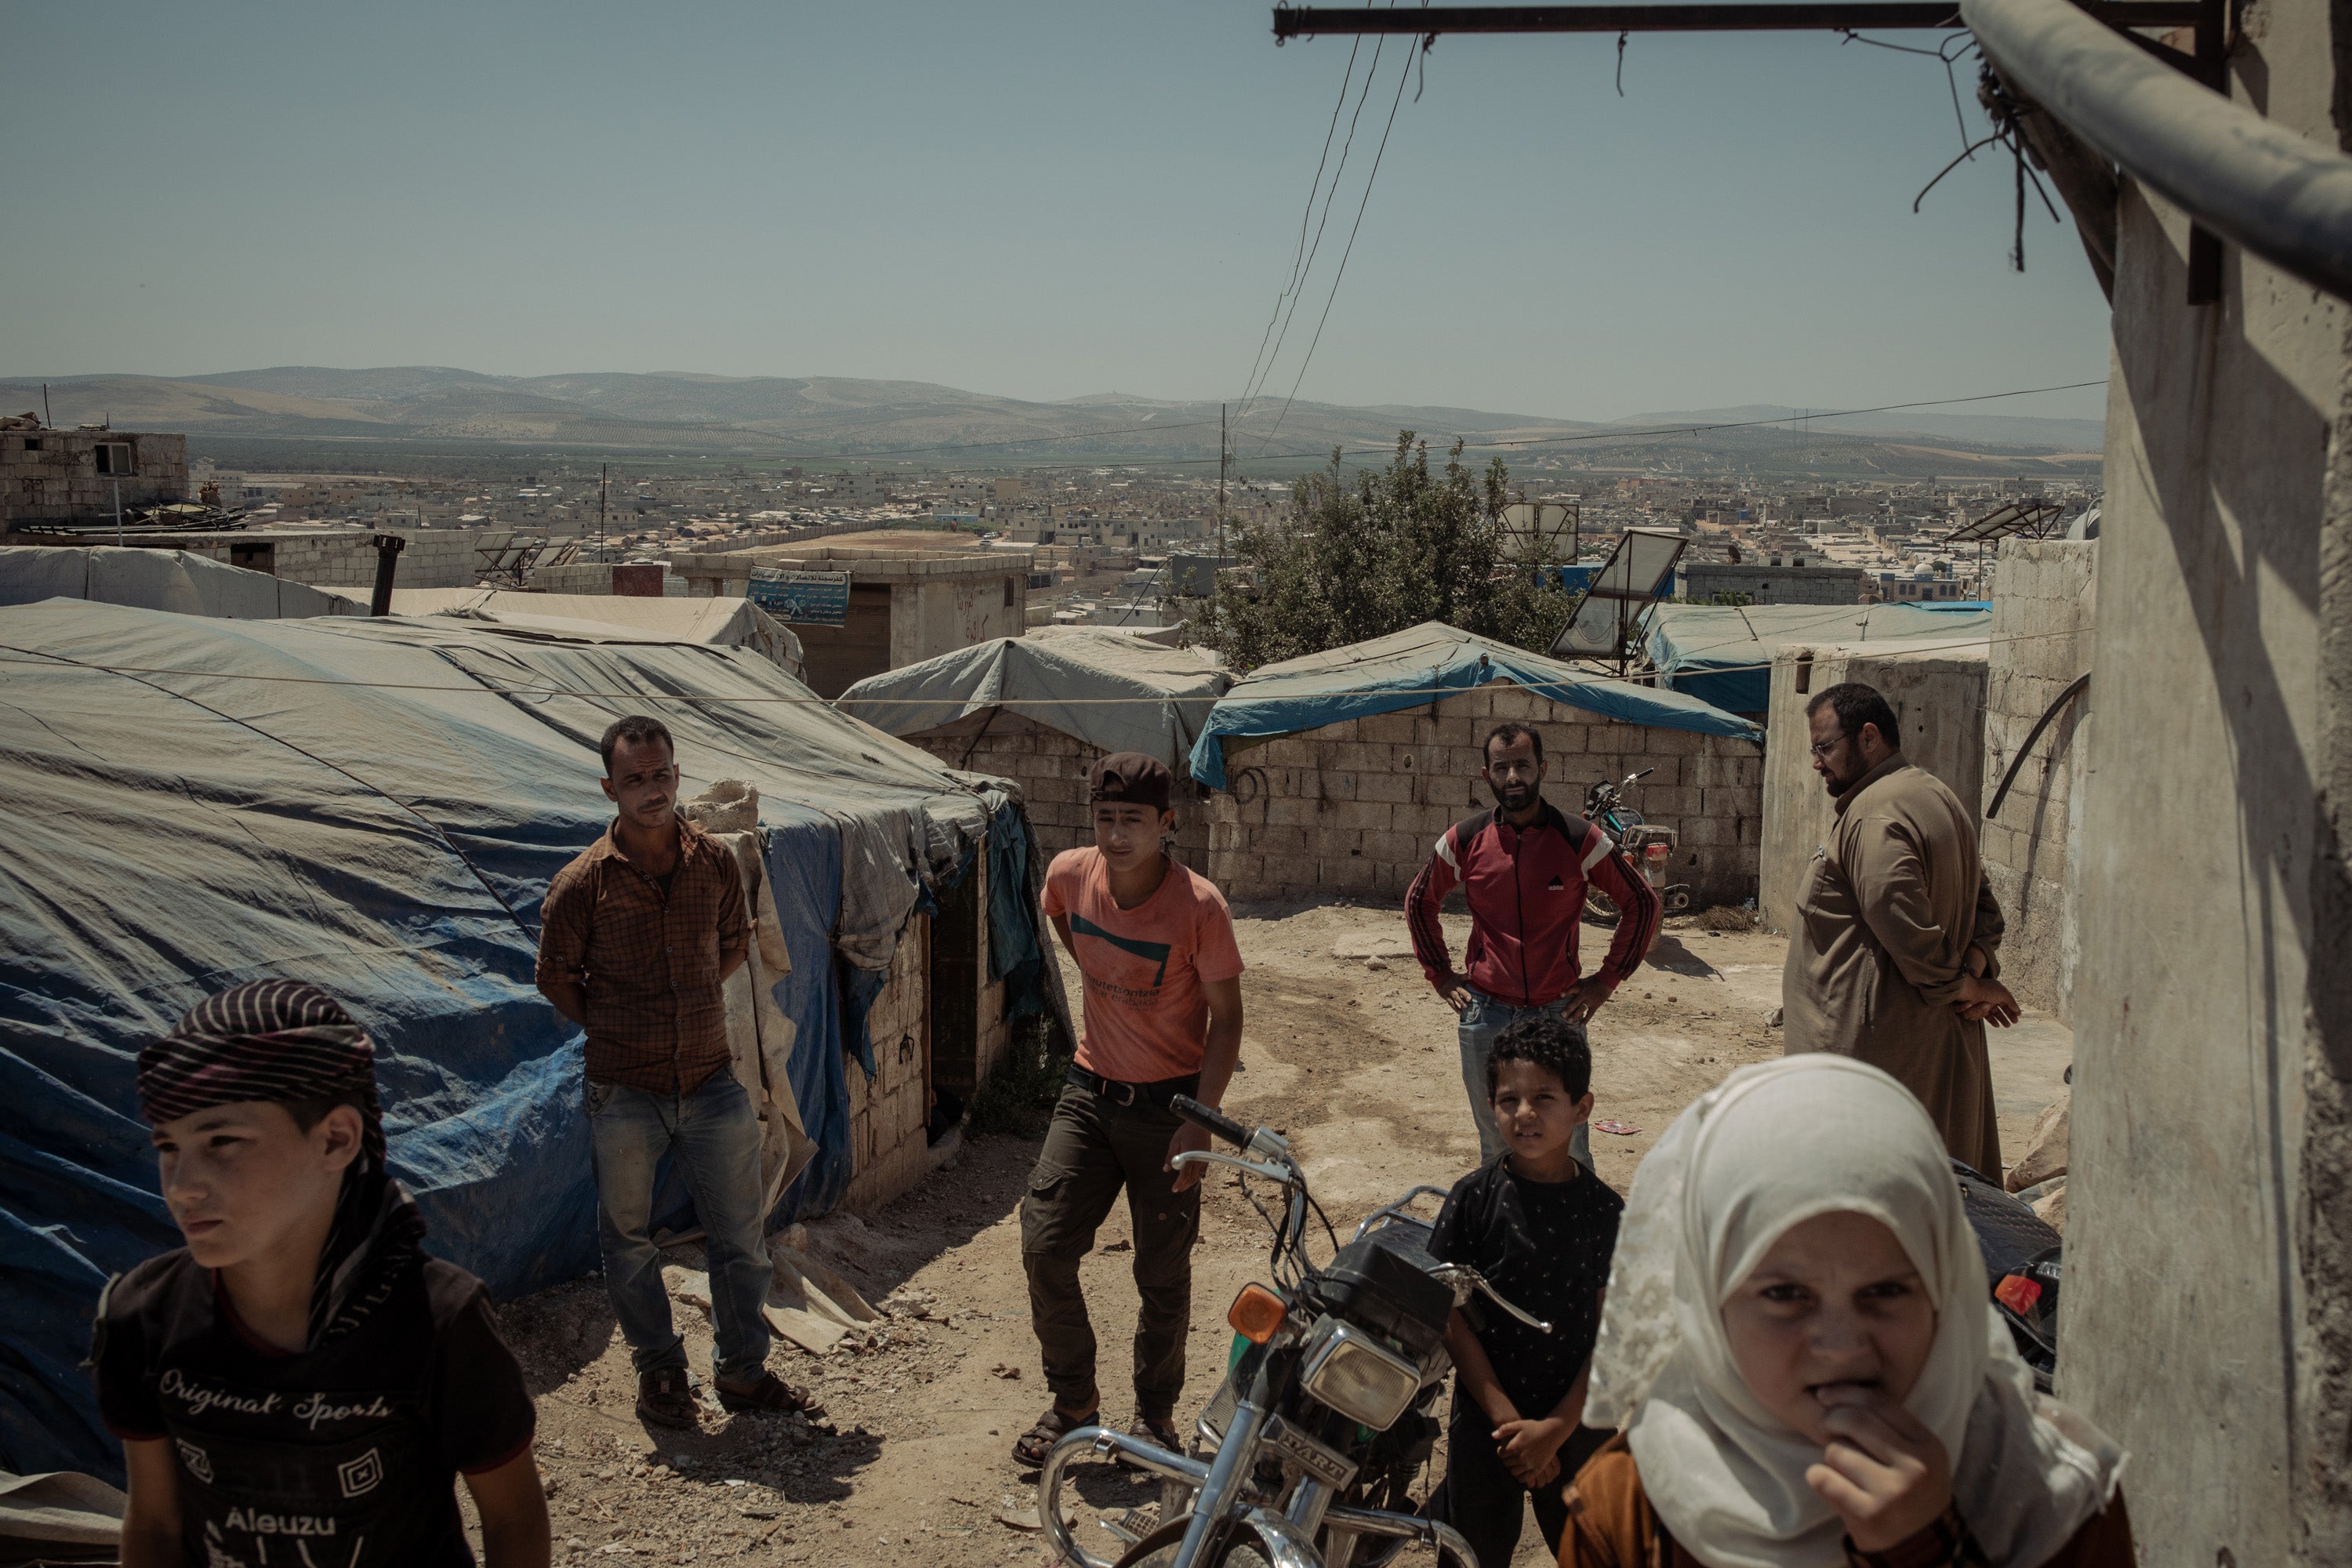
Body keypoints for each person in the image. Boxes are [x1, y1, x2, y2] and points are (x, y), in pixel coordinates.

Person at [1559, 1054, 2131, 1567]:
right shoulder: (1632, 1511)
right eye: (1784, 1295)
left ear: (1944, 1292)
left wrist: (1928, 1547)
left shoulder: (2053, 1501)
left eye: (1885, 1292)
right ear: (1709, 1307)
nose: (1841, 1345)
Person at [94, 980, 550, 1568]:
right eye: (167, 1146)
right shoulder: (145, 1316)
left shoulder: (435, 1320)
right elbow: (156, 1523)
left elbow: (512, 1516)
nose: (182, 1185)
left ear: (336, 1138)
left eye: (222, 1141)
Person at [536, 714, 815, 1428]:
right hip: (623, 1088)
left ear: (676, 774)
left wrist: (686, 1006)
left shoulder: (715, 864)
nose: (652, 790)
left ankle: (742, 1372)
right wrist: (614, 1023)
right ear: (610, 788)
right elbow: (555, 978)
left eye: (661, 774)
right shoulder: (581, 884)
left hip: (710, 1078)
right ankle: (660, 1373)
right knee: (628, 1241)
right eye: (635, 779)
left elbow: (731, 948)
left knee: (742, 1235)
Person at [1012, 752, 1245, 1465]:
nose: (1117, 835)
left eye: (1134, 822)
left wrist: (1198, 1122)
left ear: (1166, 824)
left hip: (1168, 1107)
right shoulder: (1069, 875)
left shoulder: (1199, 907)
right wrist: (1100, 982)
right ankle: (1074, 1403)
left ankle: (1154, 1421)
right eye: (1106, 819)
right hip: (1089, 1093)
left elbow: (1228, 1021)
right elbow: (1061, 923)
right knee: (1045, 1243)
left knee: (1162, 1275)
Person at [1781, 683, 2020, 1178]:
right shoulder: (1934, 794)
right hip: (1922, 1048)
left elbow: (1901, 918)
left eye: (1825, 748)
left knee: (1870, 1204)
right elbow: (1986, 909)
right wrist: (1974, 966)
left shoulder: (1874, 815)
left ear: (1869, 737)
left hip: (1872, 1063)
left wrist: (1966, 986)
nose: (1817, 763)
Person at [1407, 721, 1661, 1167]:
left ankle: (1573, 1234)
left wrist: (1605, 982)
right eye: (1501, 767)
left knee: (1569, 1147)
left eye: (1522, 765)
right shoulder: (1464, 840)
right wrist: (1443, 977)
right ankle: (1505, 1230)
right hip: (1486, 1014)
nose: (1512, 778)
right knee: (1498, 1145)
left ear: (1542, 768)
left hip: (1557, 1013)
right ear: (1486, 775)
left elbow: (1641, 903)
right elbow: (1418, 901)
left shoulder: (1579, 839)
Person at [1426, 1014, 1624, 1568]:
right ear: (1490, 1105)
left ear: (1582, 1109)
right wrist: (1508, 1420)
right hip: (1489, 1422)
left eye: (1544, 1097)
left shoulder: (1607, 1214)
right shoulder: (1473, 1199)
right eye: (1508, 1099)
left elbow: (1615, 1334)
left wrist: (1555, 1430)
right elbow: (1450, 1314)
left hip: (1581, 1421)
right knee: (1471, 1552)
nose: (1525, 1114)